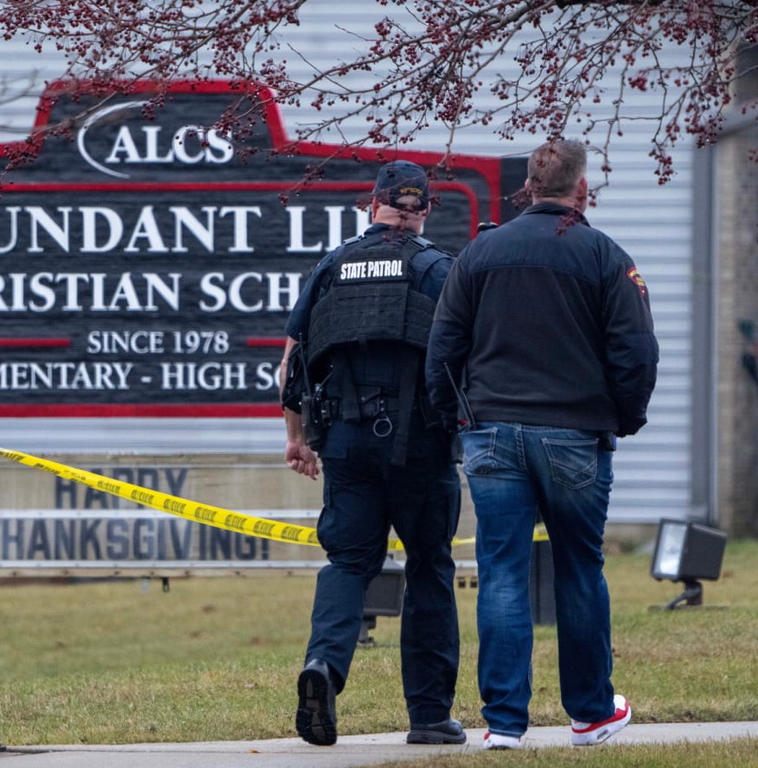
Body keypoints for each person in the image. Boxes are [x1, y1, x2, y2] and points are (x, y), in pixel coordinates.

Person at [425, 139, 659, 750]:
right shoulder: (605, 257)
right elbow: (636, 352)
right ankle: (590, 713)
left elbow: (444, 345)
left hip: (491, 434)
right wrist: (623, 419)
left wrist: (455, 417)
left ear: (528, 186)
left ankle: (504, 724)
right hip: (574, 436)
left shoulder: (480, 253)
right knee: (580, 569)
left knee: (501, 572)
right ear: (582, 190)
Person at [279, 160, 465, 747]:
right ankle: (430, 718)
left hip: (347, 443)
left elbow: (293, 363)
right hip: (421, 445)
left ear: (372, 204)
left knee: (348, 563)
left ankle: (324, 668)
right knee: (429, 566)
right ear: (425, 210)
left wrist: (295, 438)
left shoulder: (332, 267)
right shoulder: (440, 270)